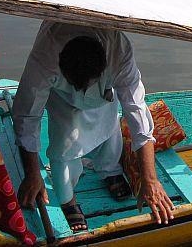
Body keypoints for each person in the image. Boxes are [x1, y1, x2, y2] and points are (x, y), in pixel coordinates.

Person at [12, 21, 174, 231]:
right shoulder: (46, 55)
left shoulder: (118, 50)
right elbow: (27, 114)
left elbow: (137, 111)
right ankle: (67, 199)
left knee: (109, 123)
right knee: (63, 145)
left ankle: (109, 169)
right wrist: (32, 173)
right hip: (63, 98)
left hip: (104, 95)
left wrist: (150, 180)